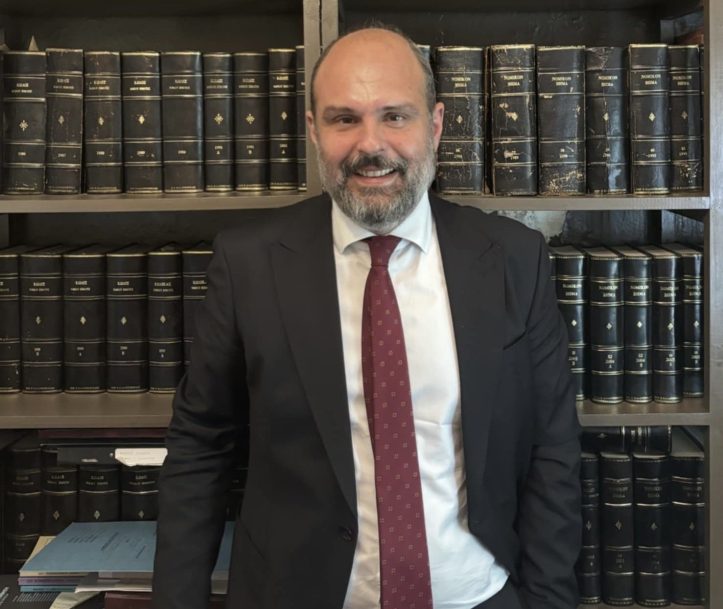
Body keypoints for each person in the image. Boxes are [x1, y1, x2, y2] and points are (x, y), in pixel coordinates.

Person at [152, 26, 581, 609]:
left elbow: (552, 447)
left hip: (478, 594)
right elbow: (201, 445)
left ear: (435, 125)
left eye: (395, 116)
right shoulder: (248, 263)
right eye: (344, 119)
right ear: (314, 130)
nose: (370, 144)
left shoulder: (513, 259)